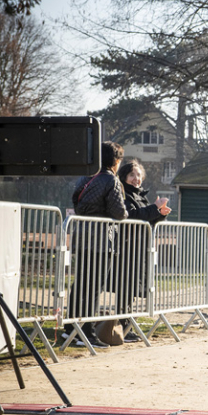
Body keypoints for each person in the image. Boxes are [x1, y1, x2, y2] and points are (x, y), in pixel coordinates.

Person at [62, 141, 128, 349]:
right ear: (116, 160)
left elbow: (76, 201)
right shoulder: (111, 180)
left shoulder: (86, 178)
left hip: (82, 237)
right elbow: (118, 212)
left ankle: (71, 330)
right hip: (101, 241)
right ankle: (87, 333)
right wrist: (124, 214)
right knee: (94, 287)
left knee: (80, 284)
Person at [115, 158, 171, 342]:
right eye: (132, 175)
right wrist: (154, 208)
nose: (136, 179)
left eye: (138, 175)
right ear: (123, 177)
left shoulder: (141, 195)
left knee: (131, 290)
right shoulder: (123, 195)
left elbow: (146, 220)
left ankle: (127, 325)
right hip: (126, 249)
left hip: (139, 249)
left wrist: (159, 214)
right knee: (125, 290)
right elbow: (132, 216)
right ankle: (122, 327)